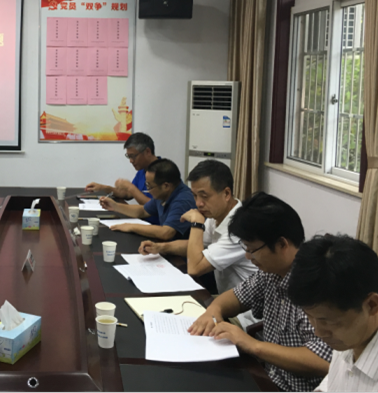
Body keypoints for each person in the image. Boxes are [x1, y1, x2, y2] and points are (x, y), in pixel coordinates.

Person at [188, 192, 332, 391]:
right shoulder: (271, 273)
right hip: (267, 376)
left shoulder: (316, 284)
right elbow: (235, 297)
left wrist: (252, 345)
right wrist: (213, 312)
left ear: (282, 244)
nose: (248, 257)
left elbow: (324, 360)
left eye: (252, 249)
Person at [139, 160, 259, 325]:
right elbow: (196, 247)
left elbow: (194, 268)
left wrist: (197, 223)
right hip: (225, 301)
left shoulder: (239, 228)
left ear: (226, 194)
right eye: (195, 196)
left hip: (245, 316)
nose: (198, 204)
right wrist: (161, 247)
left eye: (204, 196)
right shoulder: (217, 215)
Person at [288, 234, 378, 392]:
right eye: (309, 316)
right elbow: (333, 383)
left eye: (328, 321)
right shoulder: (350, 336)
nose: (318, 332)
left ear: (371, 305)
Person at [99, 158, 196, 241]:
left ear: (166, 186)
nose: (148, 190)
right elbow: (143, 211)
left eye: (150, 186)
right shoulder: (164, 194)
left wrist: (132, 226)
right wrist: (115, 206)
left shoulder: (183, 200)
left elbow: (166, 232)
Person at [85, 132, 159, 224]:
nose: (131, 161)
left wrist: (130, 187)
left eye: (133, 156)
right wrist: (104, 188)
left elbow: (155, 206)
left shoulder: (164, 172)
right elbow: (128, 194)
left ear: (147, 152)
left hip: (156, 226)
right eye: (128, 156)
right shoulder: (143, 170)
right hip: (142, 222)